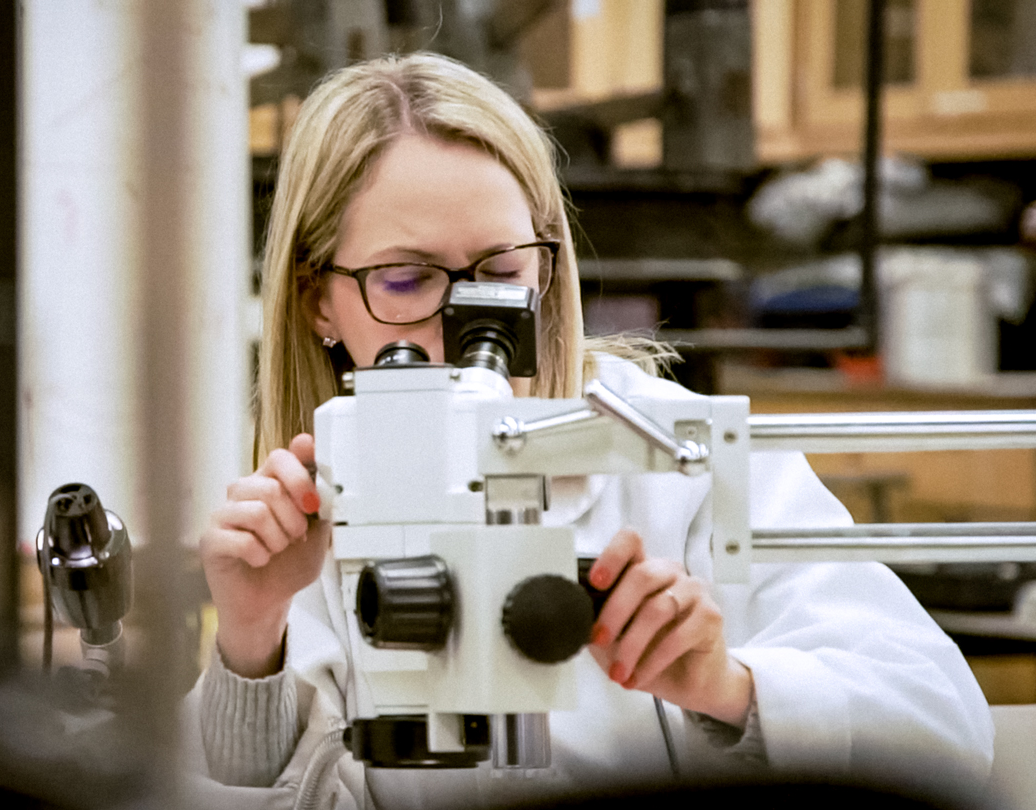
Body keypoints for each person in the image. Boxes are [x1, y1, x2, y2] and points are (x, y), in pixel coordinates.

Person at [186, 52, 993, 809]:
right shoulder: (310, 504)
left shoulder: (675, 455)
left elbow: (945, 732)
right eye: (407, 279)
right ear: (316, 300)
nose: (470, 321)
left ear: (547, 263)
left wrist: (729, 686)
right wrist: (252, 642)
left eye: (501, 276)